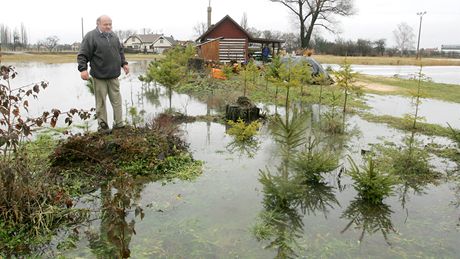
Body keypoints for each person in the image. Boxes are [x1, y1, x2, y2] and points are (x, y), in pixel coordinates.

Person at [77, 15, 129, 133]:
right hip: (99, 76)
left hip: (113, 75)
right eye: (106, 24)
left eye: (110, 24)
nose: (108, 26)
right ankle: (103, 126)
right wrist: (82, 69)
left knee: (117, 100)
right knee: (100, 102)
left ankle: (119, 124)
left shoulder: (114, 36)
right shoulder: (90, 36)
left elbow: (120, 51)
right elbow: (82, 54)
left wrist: (124, 63)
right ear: (98, 24)